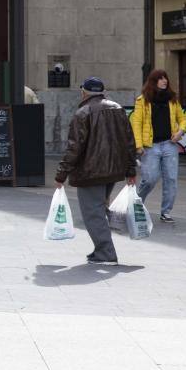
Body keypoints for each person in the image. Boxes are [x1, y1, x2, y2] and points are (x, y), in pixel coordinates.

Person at [55, 77, 137, 265]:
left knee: (93, 212)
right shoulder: (118, 109)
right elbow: (129, 141)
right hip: (113, 170)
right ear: (103, 91)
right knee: (99, 209)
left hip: (91, 172)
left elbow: (74, 148)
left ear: (83, 92)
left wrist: (61, 173)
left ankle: (106, 253)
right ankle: (100, 249)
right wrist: (130, 170)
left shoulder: (82, 113)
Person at [130, 69, 186, 223]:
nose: (164, 81)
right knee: (149, 179)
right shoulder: (143, 100)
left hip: (169, 145)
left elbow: (183, 119)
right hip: (150, 146)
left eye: (165, 78)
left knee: (171, 179)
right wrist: (138, 146)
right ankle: (137, 205)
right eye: (160, 79)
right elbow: (136, 124)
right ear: (153, 81)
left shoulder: (172, 99)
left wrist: (180, 132)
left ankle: (166, 212)